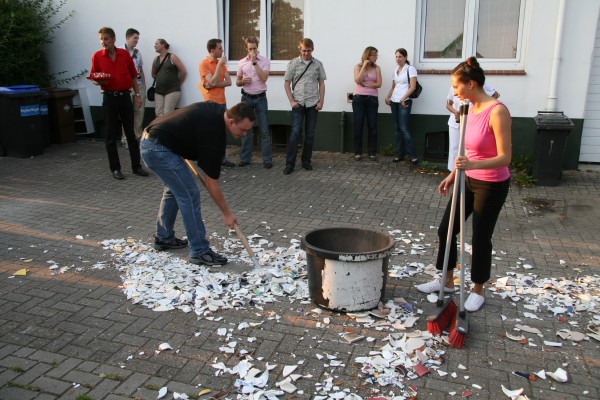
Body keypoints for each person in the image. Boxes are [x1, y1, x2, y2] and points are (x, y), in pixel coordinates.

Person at [416, 57, 512, 313]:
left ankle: (478, 289)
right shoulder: (468, 109)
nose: (454, 92)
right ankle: (446, 281)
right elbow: (467, 152)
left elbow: (505, 157)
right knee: (446, 229)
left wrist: (472, 167)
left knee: (481, 237)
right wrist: (454, 175)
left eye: (456, 87)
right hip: (467, 179)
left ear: (470, 84)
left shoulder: (497, 111)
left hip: (492, 184)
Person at [140, 102, 256, 266]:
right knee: (189, 194)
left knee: (174, 190)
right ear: (231, 122)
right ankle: (199, 251)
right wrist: (226, 213)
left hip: (155, 140)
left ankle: (164, 237)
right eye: (243, 130)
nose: (244, 134)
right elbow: (211, 183)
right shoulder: (214, 137)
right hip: (158, 148)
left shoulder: (217, 111)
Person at [90, 27, 148, 180]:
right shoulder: (97, 56)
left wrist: (137, 95)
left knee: (130, 133)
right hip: (109, 97)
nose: (103, 42)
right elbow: (94, 77)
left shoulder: (124, 55)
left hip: (124, 96)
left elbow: (133, 76)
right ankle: (115, 168)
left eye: (106, 39)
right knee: (110, 134)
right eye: (101, 39)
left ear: (114, 39)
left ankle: (136, 166)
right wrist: (98, 81)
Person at [283, 38, 326, 175]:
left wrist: (321, 102)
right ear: (299, 49)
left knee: (310, 134)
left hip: (313, 104)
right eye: (303, 50)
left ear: (312, 49)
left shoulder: (318, 64)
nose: (306, 53)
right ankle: (290, 164)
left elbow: (322, 84)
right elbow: (286, 83)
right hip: (298, 104)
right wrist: (291, 101)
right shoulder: (293, 63)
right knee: (295, 134)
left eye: (308, 50)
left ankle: (306, 161)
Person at [236, 37, 273, 169]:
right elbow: (237, 81)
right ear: (247, 49)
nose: (253, 51)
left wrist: (254, 63)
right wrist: (242, 82)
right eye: (250, 48)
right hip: (246, 98)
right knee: (245, 128)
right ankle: (245, 158)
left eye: (255, 48)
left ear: (258, 48)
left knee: (264, 129)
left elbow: (264, 78)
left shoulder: (264, 61)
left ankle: (267, 159)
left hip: (260, 98)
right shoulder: (241, 63)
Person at [198, 38, 235, 167]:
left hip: (222, 102)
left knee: (221, 131)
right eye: (220, 48)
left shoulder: (222, 63)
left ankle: (222, 158)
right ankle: (209, 158)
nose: (222, 50)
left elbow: (229, 82)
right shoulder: (204, 64)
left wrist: (214, 84)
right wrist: (218, 68)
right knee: (210, 131)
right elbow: (211, 82)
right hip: (210, 103)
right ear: (212, 50)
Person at [446, 84, 499, 171]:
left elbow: (495, 94)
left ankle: (468, 171)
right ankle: (454, 173)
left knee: (468, 148)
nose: (456, 93)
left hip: (471, 121)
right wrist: (456, 112)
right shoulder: (454, 86)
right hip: (456, 122)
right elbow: (448, 104)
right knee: (454, 148)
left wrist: (483, 109)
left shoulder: (479, 85)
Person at [385, 48, 418, 166]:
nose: (398, 59)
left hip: (405, 101)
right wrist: (387, 97)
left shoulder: (410, 69)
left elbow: (413, 87)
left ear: (405, 57)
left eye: (400, 57)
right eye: (396, 57)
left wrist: (403, 98)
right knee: (397, 128)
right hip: (394, 101)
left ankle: (413, 155)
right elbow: (393, 86)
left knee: (404, 128)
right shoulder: (395, 70)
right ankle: (400, 154)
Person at [352, 46, 382, 161]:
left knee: (372, 126)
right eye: (374, 55)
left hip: (372, 99)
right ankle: (358, 152)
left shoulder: (377, 68)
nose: (376, 57)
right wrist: (364, 65)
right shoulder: (357, 66)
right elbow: (357, 80)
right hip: (359, 99)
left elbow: (379, 84)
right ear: (367, 55)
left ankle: (372, 152)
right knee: (358, 125)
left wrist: (365, 84)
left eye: (376, 55)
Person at [120, 28, 146, 149]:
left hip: (138, 84)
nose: (137, 41)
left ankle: (138, 136)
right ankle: (126, 139)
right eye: (135, 38)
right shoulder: (120, 51)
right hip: (126, 85)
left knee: (139, 111)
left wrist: (144, 86)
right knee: (127, 113)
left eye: (138, 38)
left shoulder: (137, 52)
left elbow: (141, 70)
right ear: (128, 37)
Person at [152, 38, 187, 116]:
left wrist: (178, 84)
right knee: (158, 113)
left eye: (157, 44)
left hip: (172, 90)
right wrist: (161, 79)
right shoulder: (156, 59)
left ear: (163, 45)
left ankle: (167, 128)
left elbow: (183, 72)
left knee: (168, 113)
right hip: (159, 91)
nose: (154, 46)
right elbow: (153, 74)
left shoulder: (172, 57)